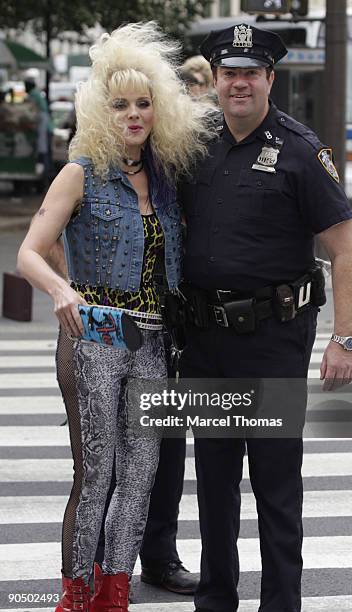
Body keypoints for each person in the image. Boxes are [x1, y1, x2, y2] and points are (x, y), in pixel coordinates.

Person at [17, 21, 212, 612]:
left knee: (141, 477)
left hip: (154, 340)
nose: (133, 114)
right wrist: (59, 289)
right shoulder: (81, 172)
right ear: (102, 110)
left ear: (160, 110)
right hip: (96, 333)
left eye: (144, 104)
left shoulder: (167, 179)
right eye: (120, 104)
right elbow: (29, 250)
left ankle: (115, 592)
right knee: (96, 472)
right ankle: (76, 594)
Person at [178, 24, 352, 612]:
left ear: (269, 80)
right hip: (204, 341)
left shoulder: (302, 151)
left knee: (276, 485)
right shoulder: (195, 143)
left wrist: (346, 340)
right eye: (229, 72)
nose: (238, 84)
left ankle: (282, 602)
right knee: (213, 482)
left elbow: (345, 249)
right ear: (216, 80)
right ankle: (216, 599)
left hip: (273, 340)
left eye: (249, 73)